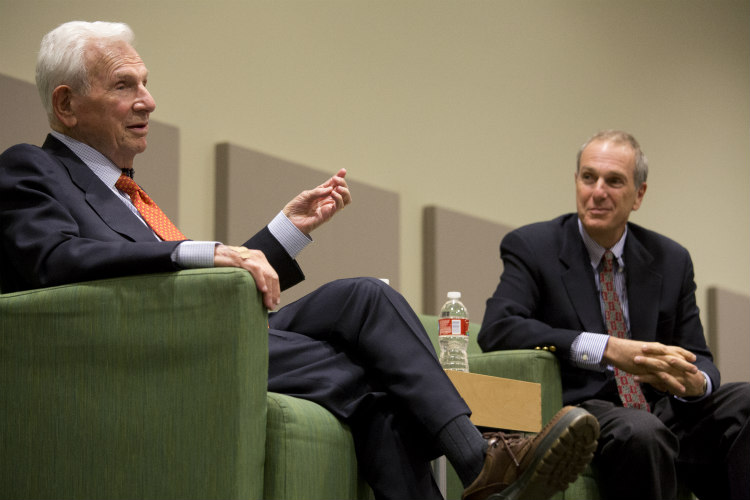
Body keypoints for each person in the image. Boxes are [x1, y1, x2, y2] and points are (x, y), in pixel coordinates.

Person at [0, 21, 598, 500]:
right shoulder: (32, 167)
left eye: (146, 83)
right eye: (125, 85)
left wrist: (286, 232)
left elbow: (209, 284)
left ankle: (482, 467)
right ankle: (486, 466)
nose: (149, 101)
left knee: (364, 298)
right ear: (67, 104)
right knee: (374, 381)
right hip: (151, 348)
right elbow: (56, 258)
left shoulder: (123, 190)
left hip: (204, 327)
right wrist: (203, 250)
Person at [479, 129, 750, 500]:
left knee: (745, 401)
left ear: (639, 194)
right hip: (582, 410)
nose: (598, 191)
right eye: (588, 177)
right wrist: (605, 348)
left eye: (614, 181)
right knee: (642, 431)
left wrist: (695, 382)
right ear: (576, 182)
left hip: (660, 408)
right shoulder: (533, 246)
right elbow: (499, 328)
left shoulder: (671, 259)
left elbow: (699, 355)